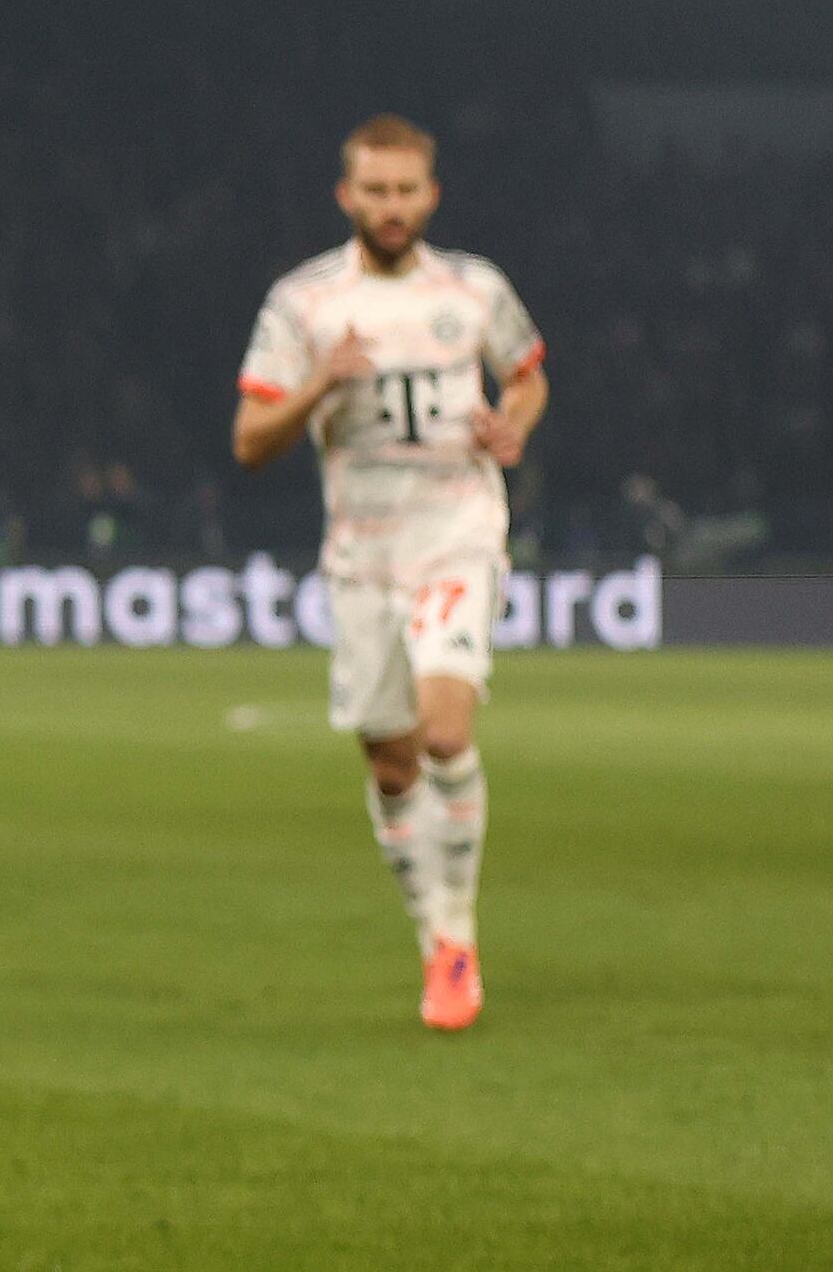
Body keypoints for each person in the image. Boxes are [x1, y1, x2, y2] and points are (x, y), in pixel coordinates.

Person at [232, 114, 547, 1033]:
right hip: (362, 555)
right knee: (391, 757)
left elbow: (528, 374)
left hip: (456, 530)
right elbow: (250, 440)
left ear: (431, 195)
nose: (392, 205)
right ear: (347, 196)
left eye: (407, 190)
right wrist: (318, 384)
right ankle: (431, 932)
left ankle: (459, 940)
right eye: (376, 190)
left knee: (446, 731)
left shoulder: (474, 287)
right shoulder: (304, 304)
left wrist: (514, 423)